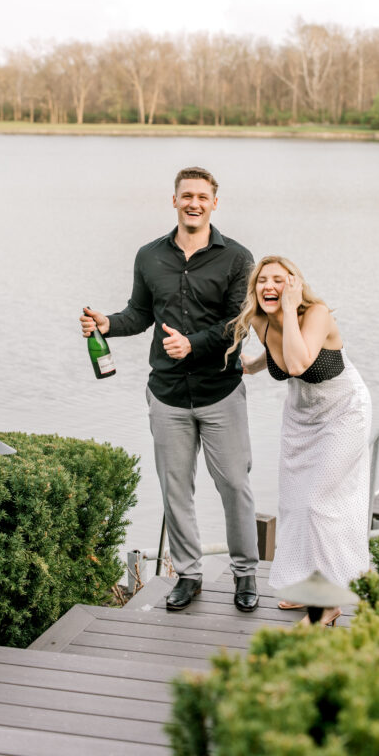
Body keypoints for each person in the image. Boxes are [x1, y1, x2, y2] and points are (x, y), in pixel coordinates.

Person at [80, 167, 260, 612]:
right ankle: (189, 575)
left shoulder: (237, 258)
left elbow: (239, 325)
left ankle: (245, 575)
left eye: (202, 196)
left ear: (215, 203)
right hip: (166, 395)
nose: (193, 203)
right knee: (175, 489)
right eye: (186, 196)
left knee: (235, 485)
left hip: (221, 391)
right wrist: (108, 324)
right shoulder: (149, 255)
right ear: (174, 200)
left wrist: (193, 345)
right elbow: (139, 314)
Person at [228, 255, 371, 626]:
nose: (269, 286)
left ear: (294, 284)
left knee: (318, 503)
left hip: (343, 411)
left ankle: (327, 602)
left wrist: (290, 309)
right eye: (262, 280)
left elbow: (297, 364)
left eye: (279, 279)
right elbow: (276, 353)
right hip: (301, 416)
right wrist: (251, 366)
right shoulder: (261, 320)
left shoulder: (317, 313)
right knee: (294, 505)